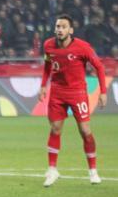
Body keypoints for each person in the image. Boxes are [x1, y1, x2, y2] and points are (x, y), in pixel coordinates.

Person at [40, 14, 107, 187]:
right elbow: (47, 65)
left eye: (63, 27)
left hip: (77, 93)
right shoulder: (48, 45)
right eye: (57, 26)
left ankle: (93, 170)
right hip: (57, 92)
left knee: (85, 131)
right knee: (55, 128)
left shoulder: (82, 47)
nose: (59, 30)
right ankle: (52, 170)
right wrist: (43, 85)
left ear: (70, 30)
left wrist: (103, 92)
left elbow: (99, 67)